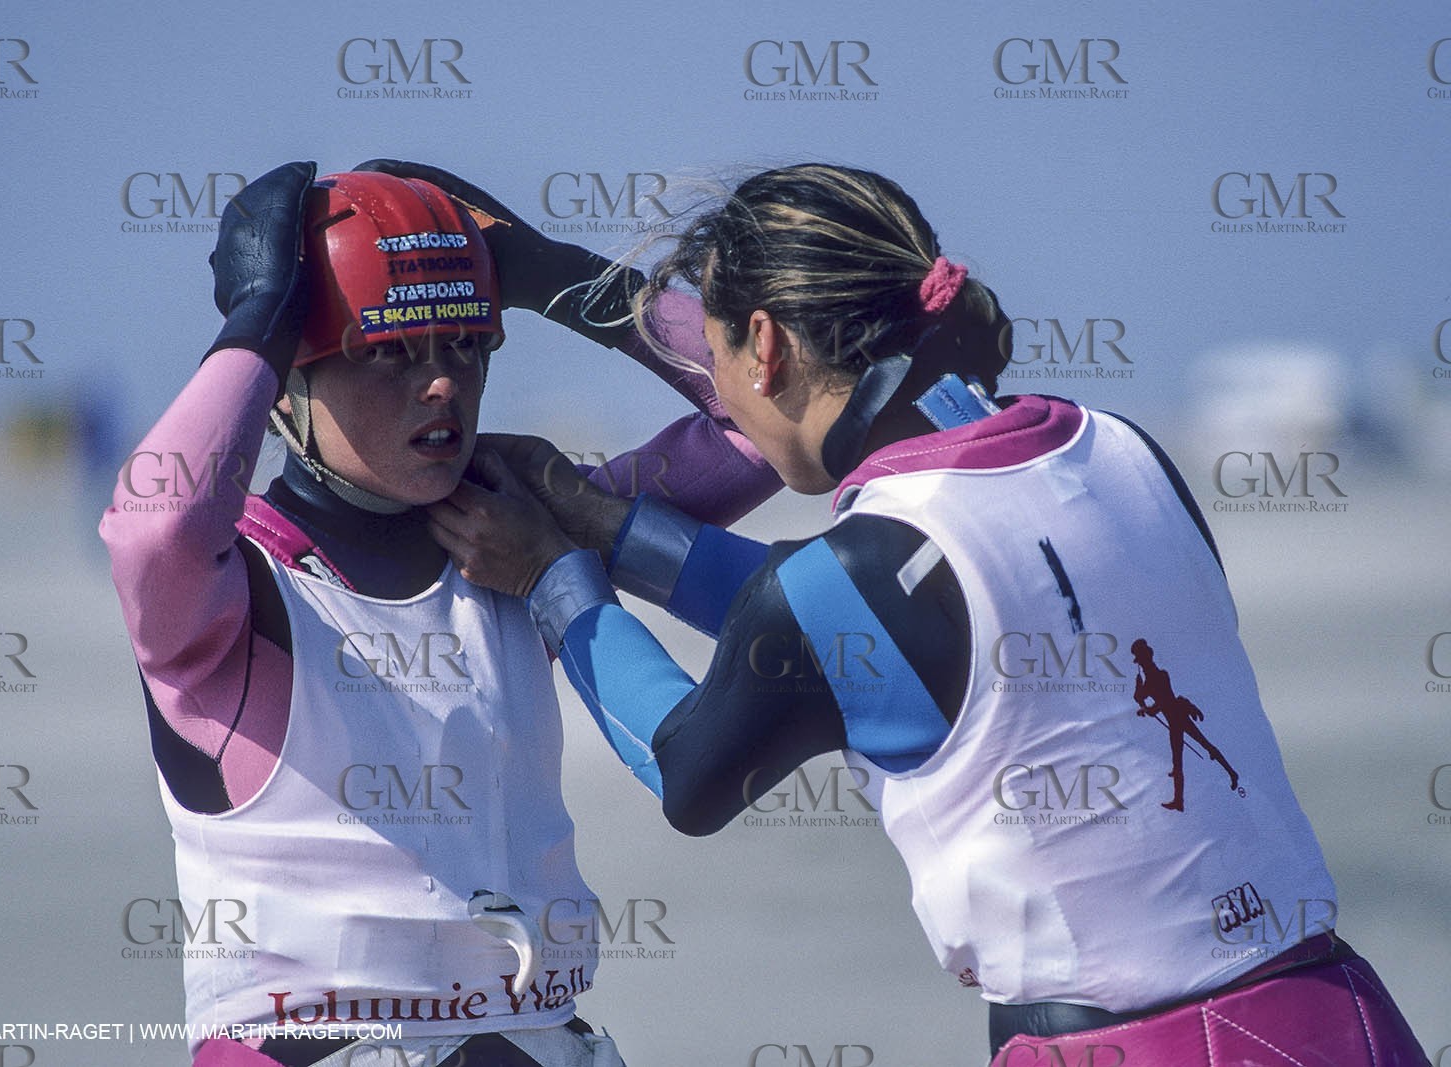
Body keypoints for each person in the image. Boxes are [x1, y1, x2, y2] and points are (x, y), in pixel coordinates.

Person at [424, 163, 1431, 1064]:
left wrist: (555, 576)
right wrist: (608, 523)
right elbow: (909, 642)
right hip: (1341, 1010)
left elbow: (691, 768)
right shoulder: (1118, 448)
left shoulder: (861, 570)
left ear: (764, 344)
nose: (717, 396)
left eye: (721, 363)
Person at [99, 161, 778, 1067]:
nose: (441, 386)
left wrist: (551, 274)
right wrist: (257, 323)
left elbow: (767, 418)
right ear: (284, 389)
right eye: (386, 352)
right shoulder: (241, 590)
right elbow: (153, 528)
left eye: (467, 345)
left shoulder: (518, 537)